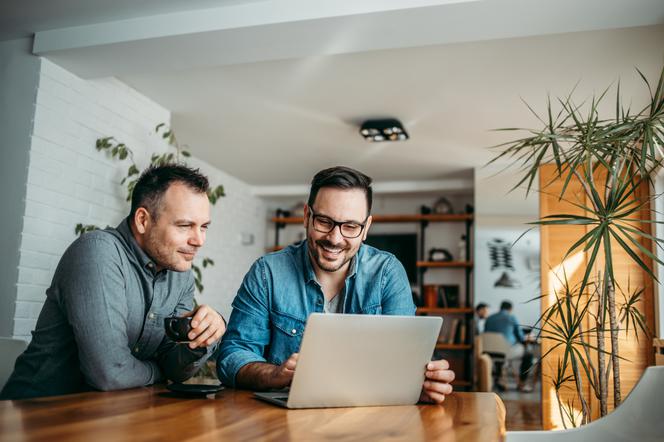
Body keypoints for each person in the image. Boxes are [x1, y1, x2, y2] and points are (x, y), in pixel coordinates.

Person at [217, 166, 455, 403]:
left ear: (366, 229)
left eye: (350, 226)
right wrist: (275, 374)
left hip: (370, 420)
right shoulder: (267, 273)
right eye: (324, 221)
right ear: (306, 217)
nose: (335, 238)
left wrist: (421, 383)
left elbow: (406, 360)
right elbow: (232, 357)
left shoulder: (387, 273)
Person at [1, 164, 226, 400]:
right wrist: (158, 370)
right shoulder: (97, 252)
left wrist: (203, 337)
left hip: (111, 416)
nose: (199, 240)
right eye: (184, 225)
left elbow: (175, 367)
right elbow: (109, 375)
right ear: (142, 220)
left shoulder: (182, 275)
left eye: (204, 227)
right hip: (35, 417)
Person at [484, 300, 533, 391]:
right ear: (510, 309)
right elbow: (520, 337)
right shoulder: (511, 317)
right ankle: (522, 383)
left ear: (500, 308)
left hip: (489, 352)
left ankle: (499, 378)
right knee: (528, 353)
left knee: (501, 354)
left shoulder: (489, 318)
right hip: (505, 352)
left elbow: (486, 334)